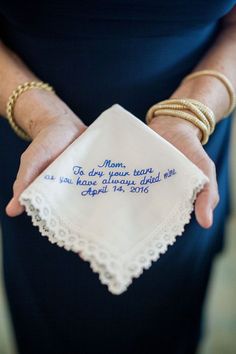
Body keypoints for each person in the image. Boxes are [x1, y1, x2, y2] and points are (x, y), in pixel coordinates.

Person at [0, 1, 235, 353]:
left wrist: (189, 114)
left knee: (168, 315)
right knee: (55, 319)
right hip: (42, 149)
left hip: (184, 145)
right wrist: (40, 113)